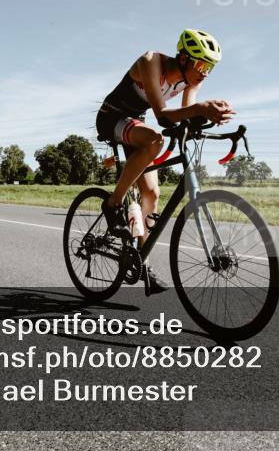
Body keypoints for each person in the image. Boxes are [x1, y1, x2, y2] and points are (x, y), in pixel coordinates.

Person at [95, 29, 235, 294]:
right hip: (111, 117)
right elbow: (162, 115)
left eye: (210, 68)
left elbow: (185, 115)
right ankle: (113, 204)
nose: (205, 73)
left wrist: (208, 116)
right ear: (182, 58)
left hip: (136, 122)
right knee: (154, 140)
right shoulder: (151, 62)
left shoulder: (192, 80)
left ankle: (141, 261)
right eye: (201, 65)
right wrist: (200, 109)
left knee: (151, 193)